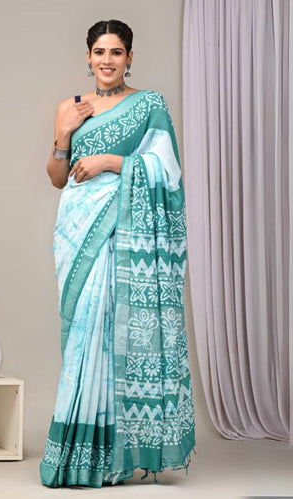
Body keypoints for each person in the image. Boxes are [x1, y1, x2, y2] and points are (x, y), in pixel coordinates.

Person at [40, 19, 196, 488]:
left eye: (116, 52)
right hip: (77, 229)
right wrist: (63, 136)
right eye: (100, 51)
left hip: (124, 230)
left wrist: (111, 162)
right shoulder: (68, 107)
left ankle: (113, 456)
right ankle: (77, 453)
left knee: (116, 329)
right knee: (83, 332)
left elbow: (168, 171)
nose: (107, 60)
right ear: (87, 56)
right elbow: (57, 177)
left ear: (129, 58)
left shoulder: (149, 104)